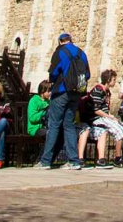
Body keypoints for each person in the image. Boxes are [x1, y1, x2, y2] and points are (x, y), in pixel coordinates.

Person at [37, 31, 88, 169]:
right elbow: (87, 74)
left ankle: (46, 161)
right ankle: (74, 161)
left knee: (54, 125)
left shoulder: (60, 52)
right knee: (69, 125)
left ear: (60, 41)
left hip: (61, 91)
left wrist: (55, 81)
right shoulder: (81, 53)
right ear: (70, 40)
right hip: (76, 92)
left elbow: (53, 73)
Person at [82, 70, 123, 169]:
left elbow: (105, 109)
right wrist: (109, 117)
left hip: (104, 117)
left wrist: (112, 117)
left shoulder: (107, 92)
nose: (115, 82)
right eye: (113, 79)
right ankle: (118, 158)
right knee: (118, 130)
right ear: (108, 80)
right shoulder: (98, 90)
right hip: (96, 118)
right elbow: (96, 110)